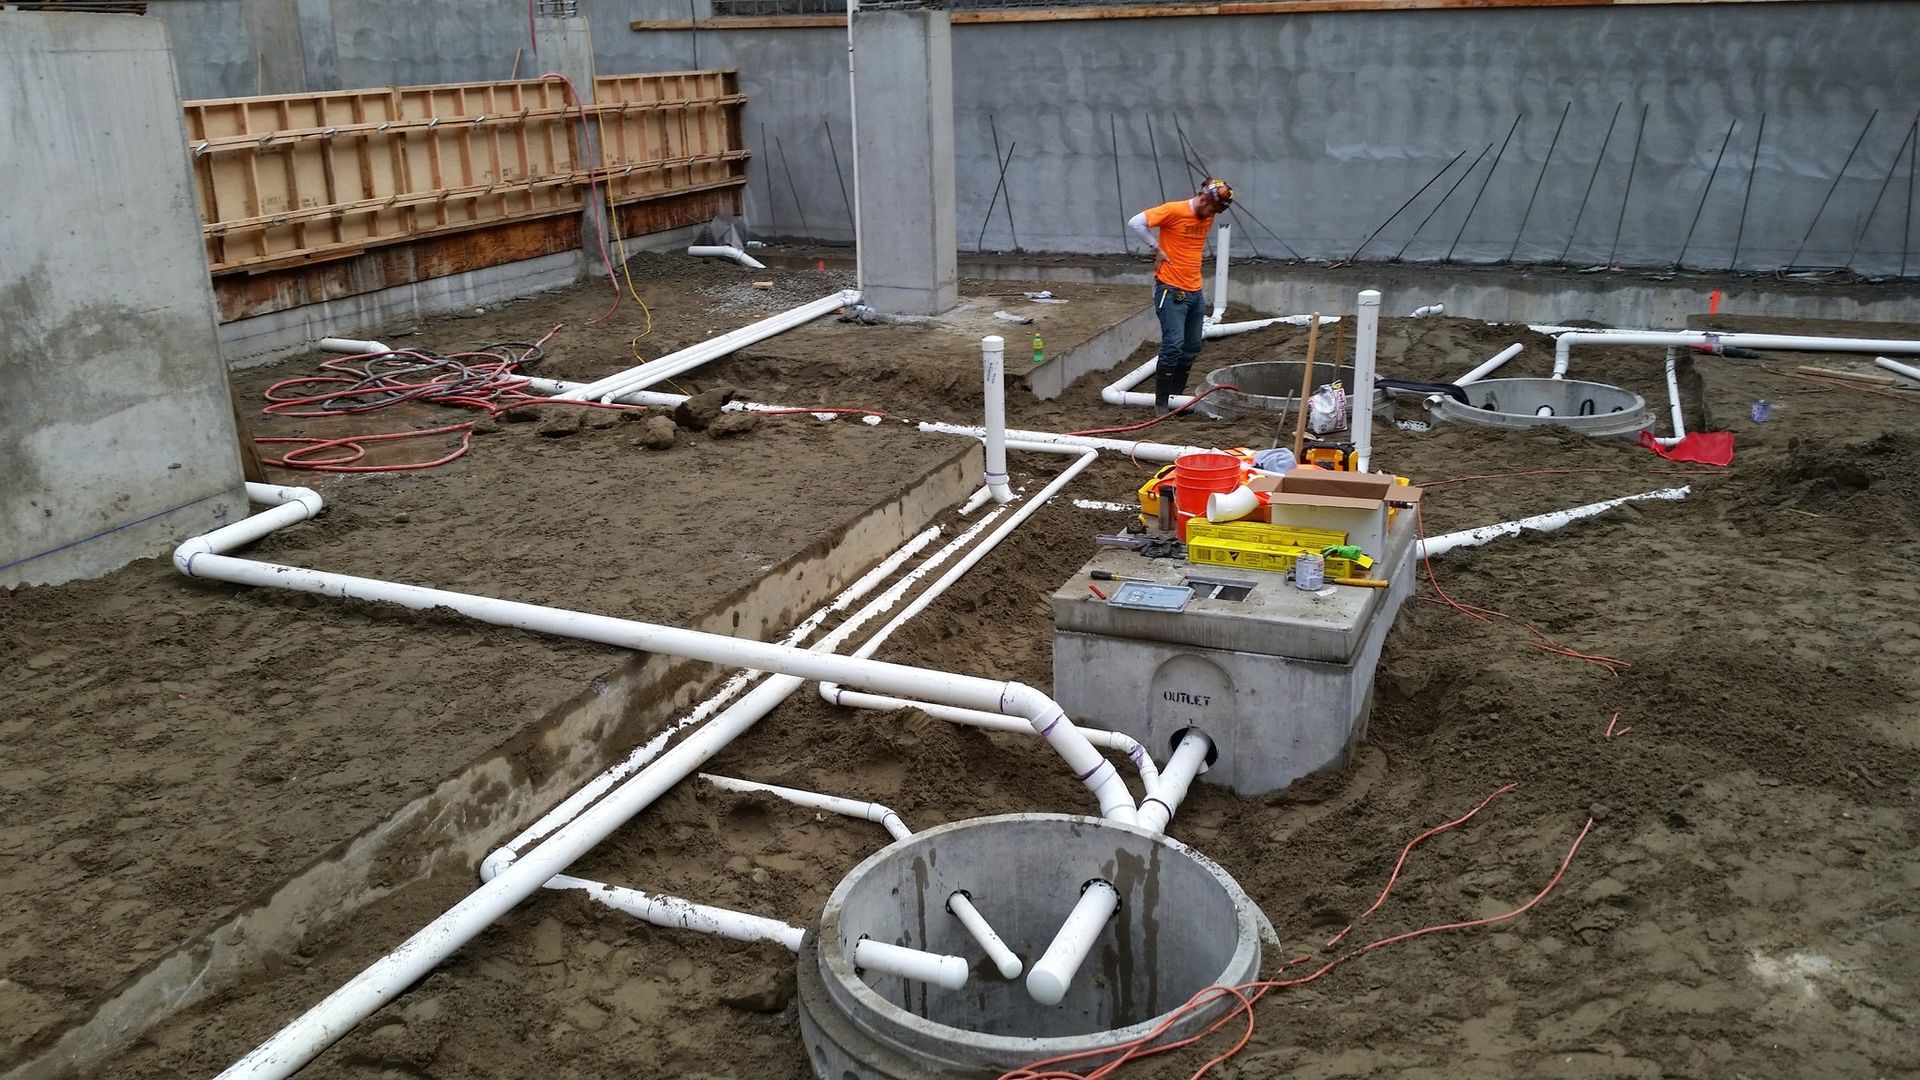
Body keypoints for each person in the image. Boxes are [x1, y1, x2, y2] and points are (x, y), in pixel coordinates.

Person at [1128, 178, 1233, 415]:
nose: (1211, 215)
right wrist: (1156, 247)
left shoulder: (1209, 215)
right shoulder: (1174, 210)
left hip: (1194, 290)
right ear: (1203, 198)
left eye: (1216, 211)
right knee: (1173, 345)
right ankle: (1162, 404)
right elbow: (1136, 222)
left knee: (1192, 346)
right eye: (1211, 208)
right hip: (1170, 288)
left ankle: (1175, 399)